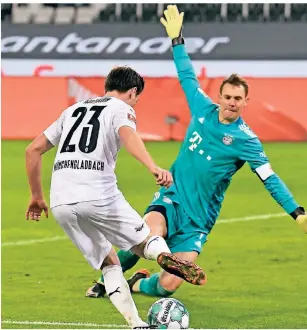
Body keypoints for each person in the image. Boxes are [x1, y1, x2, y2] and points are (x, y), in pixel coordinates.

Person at [86, 5, 307, 300]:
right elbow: (186, 75)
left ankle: (137, 282)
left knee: (168, 286)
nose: (231, 102)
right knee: (145, 236)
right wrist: (177, 40)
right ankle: (105, 281)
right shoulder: (203, 109)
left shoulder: (247, 141)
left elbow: (270, 179)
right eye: (227, 96)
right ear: (220, 97)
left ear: (245, 102)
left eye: (237, 99)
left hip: (199, 219)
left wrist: (297, 214)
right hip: (172, 198)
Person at [25, 65, 206, 329]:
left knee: (109, 263)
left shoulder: (72, 110)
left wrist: (36, 196)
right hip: (98, 193)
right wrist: (152, 166)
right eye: (138, 97)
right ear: (132, 92)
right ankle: (164, 256)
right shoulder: (121, 108)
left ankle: (136, 324)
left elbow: (33, 150)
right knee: (144, 242)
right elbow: (127, 134)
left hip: (61, 202)